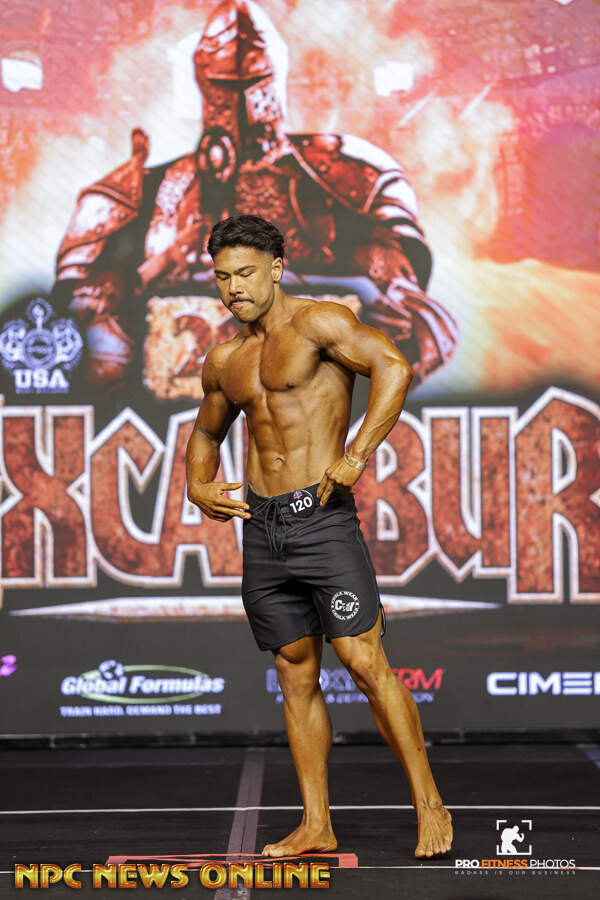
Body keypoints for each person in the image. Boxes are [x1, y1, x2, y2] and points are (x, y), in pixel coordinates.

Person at [186, 214, 453, 859]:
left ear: (277, 268)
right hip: (262, 528)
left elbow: (393, 367)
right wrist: (197, 485)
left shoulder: (320, 324)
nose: (233, 288)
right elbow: (206, 432)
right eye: (222, 277)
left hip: (322, 518)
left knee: (364, 662)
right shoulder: (226, 359)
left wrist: (358, 453)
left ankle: (429, 803)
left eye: (245, 273)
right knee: (294, 672)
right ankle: (316, 824)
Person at [53, 0, 456, 393]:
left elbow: (398, 274)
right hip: (180, 386)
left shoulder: (343, 170)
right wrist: (124, 285)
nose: (241, 100)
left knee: (413, 326)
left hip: (312, 382)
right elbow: (80, 301)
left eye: (252, 83)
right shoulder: (153, 186)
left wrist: (389, 289)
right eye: (226, 85)